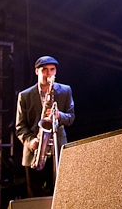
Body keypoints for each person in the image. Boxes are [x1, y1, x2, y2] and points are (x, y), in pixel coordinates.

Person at [16, 56, 75, 198]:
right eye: (45, 70)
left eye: (52, 70)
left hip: (57, 148)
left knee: (60, 194)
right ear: (37, 71)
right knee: (35, 196)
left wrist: (59, 115)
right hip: (34, 153)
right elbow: (20, 126)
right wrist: (31, 142)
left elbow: (71, 117)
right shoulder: (24, 95)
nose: (49, 74)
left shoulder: (65, 90)